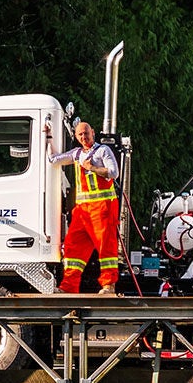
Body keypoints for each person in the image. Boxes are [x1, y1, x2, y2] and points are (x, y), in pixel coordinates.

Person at [50, 119, 122, 293]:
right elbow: (53, 160)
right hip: (82, 211)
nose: (84, 137)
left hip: (102, 208)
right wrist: (47, 135)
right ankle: (68, 287)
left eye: (86, 133)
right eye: (80, 134)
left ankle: (108, 285)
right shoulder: (76, 154)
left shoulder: (103, 151)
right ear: (76, 137)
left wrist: (93, 168)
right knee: (73, 247)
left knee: (106, 248)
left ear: (93, 133)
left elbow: (114, 173)